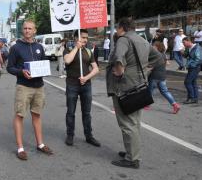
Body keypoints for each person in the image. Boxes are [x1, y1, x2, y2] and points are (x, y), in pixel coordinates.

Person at [106, 18, 162, 169]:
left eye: (117, 28)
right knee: (134, 122)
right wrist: (147, 69)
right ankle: (131, 151)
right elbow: (159, 57)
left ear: (122, 28)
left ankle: (132, 158)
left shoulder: (123, 40)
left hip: (124, 87)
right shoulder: (142, 40)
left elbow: (119, 58)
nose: (116, 31)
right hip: (138, 86)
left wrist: (119, 72)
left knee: (126, 123)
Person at [7, 19, 54, 161]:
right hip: (23, 87)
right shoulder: (16, 47)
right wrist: (22, 72)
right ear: (23, 30)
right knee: (20, 115)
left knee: (37, 115)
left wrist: (45, 69)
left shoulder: (39, 46)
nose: (27, 30)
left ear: (35, 31)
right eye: (25, 28)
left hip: (39, 86)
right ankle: (20, 148)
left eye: (30, 28)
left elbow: (44, 63)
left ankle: (40, 144)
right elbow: (10, 67)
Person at [63, 29, 100, 147]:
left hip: (86, 85)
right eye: (82, 37)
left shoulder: (89, 52)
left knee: (87, 113)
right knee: (70, 112)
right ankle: (70, 135)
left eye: (86, 38)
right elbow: (67, 60)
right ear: (75, 38)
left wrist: (86, 77)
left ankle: (89, 136)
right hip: (72, 85)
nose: (85, 40)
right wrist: (76, 48)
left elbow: (96, 69)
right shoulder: (68, 49)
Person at [146, 41, 180, 114]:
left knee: (150, 91)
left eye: (154, 46)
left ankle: (147, 105)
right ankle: (175, 104)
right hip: (162, 75)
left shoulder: (156, 55)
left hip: (154, 75)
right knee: (165, 91)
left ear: (157, 47)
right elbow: (166, 63)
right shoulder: (163, 55)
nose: (152, 47)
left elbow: (150, 66)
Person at [182, 37, 201, 104]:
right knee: (193, 82)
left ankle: (191, 98)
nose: (183, 44)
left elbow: (199, 59)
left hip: (195, 67)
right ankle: (195, 98)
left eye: (184, 42)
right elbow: (186, 55)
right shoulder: (188, 48)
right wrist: (182, 52)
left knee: (187, 82)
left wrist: (191, 65)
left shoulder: (197, 48)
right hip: (191, 67)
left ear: (188, 41)